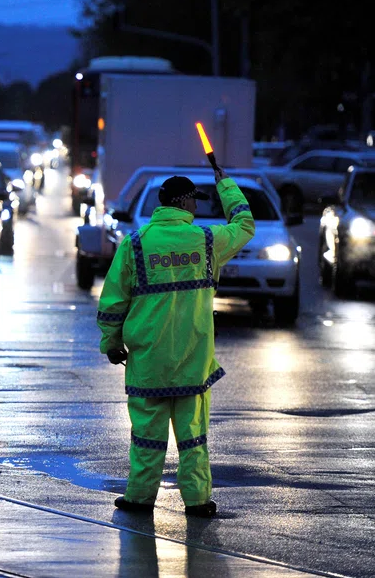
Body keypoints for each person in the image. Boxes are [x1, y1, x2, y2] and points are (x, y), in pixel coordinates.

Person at [97, 168, 255, 518]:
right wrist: (225, 185)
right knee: (193, 437)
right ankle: (197, 501)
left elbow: (113, 300)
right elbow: (245, 225)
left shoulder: (135, 244)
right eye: (194, 201)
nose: (196, 207)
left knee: (147, 437)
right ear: (183, 202)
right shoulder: (206, 241)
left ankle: (139, 498)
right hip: (191, 361)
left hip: (148, 363)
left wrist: (111, 342)